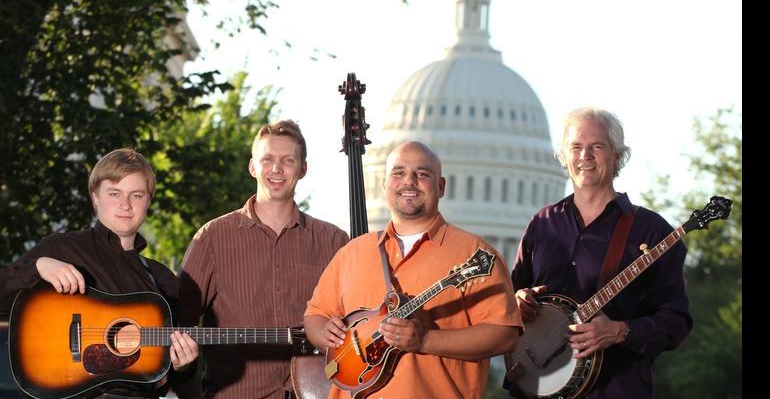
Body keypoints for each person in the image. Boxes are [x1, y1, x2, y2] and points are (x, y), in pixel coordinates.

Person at [304, 141, 522, 399]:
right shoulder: (352, 252)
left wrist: (425, 340)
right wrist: (323, 333)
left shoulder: (474, 254)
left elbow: (504, 335)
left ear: (440, 186)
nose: (409, 181)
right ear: (384, 184)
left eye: (422, 174)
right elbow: (316, 315)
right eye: (398, 173)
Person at [510, 108, 692, 399]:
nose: (585, 156)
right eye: (576, 148)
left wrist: (621, 331)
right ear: (564, 157)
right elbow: (508, 298)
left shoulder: (652, 231)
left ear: (617, 155)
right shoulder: (542, 224)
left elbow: (677, 320)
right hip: (536, 388)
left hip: (615, 389)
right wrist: (517, 302)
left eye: (597, 147)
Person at [0, 148, 200, 399]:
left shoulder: (162, 280)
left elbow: (166, 372)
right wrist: (38, 266)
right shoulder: (62, 249)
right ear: (95, 196)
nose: (125, 205)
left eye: (136, 195)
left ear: (149, 200)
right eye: (114, 193)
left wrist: (184, 365)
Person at [175, 120, 349, 399]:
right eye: (267, 159)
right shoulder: (212, 238)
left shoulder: (334, 241)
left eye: (287, 160)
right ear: (253, 166)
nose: (277, 169)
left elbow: (359, 323)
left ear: (302, 169)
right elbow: (177, 326)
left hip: (317, 392)